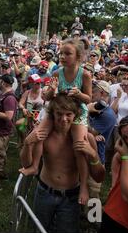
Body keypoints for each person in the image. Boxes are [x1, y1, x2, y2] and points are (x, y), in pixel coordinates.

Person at [20, 94, 105, 233]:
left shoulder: (86, 138)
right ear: (52, 114)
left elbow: (99, 177)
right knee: (39, 229)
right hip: (44, 191)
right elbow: (27, 164)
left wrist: (93, 155)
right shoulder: (44, 135)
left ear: (75, 115)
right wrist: (27, 143)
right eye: (59, 114)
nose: (64, 119)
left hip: (71, 196)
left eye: (68, 114)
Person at [23, 38, 92, 205]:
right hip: (56, 110)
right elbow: (46, 97)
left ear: (78, 56)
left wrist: (78, 93)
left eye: (67, 53)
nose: (62, 56)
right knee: (38, 134)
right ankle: (35, 166)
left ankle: (83, 186)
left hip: (76, 113)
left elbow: (88, 99)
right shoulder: (56, 73)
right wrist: (51, 90)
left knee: (79, 146)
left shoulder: (84, 74)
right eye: (61, 53)